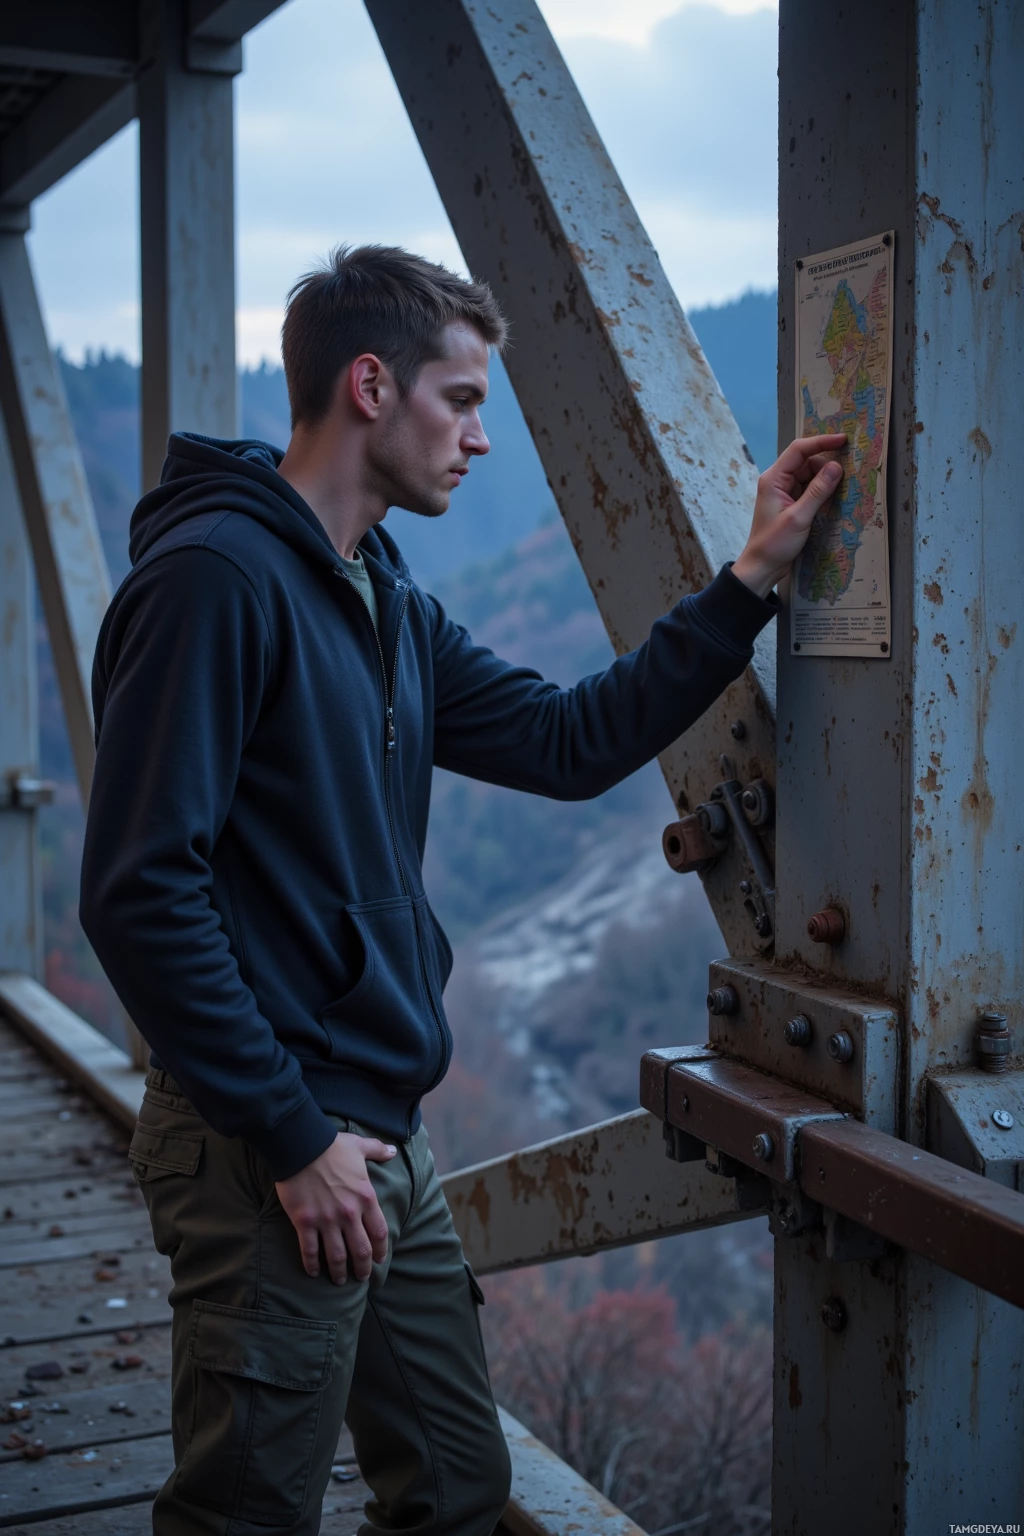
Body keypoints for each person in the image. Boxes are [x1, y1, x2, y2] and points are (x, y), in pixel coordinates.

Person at [80, 244, 845, 1536]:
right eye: (464, 399)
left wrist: (750, 582)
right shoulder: (215, 581)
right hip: (269, 1144)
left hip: (380, 1128)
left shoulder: (381, 592)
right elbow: (139, 891)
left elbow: (564, 740)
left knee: (453, 1485)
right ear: (370, 385)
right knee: (244, 1514)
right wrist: (291, 1138)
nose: (482, 439)